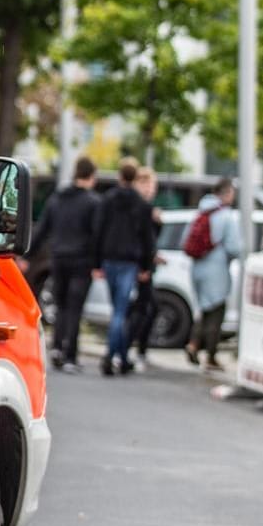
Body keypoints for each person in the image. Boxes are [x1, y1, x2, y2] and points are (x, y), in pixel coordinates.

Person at [32, 156, 101, 374]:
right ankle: (70, 354)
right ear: (91, 176)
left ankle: (57, 348)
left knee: (61, 306)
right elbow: (97, 235)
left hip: (58, 258)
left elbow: (43, 229)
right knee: (74, 308)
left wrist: (26, 254)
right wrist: (98, 263)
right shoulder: (93, 202)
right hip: (82, 260)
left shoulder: (57, 199)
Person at [94, 158, 157, 376]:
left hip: (110, 259)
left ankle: (117, 355)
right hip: (129, 261)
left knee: (117, 309)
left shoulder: (107, 200)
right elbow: (147, 238)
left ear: (120, 175)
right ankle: (113, 355)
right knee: (120, 310)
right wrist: (146, 266)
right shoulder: (141, 204)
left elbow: (98, 231)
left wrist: (96, 262)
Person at [187, 177, 243, 370]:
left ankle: (193, 344)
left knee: (203, 309)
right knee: (216, 312)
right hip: (216, 269)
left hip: (197, 268)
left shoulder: (201, 212)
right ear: (227, 193)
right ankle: (210, 354)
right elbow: (234, 247)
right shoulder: (226, 216)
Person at [122, 166, 165, 371]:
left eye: (152, 185)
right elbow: (139, 239)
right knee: (142, 308)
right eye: (146, 184)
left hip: (145, 264)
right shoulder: (137, 208)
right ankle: (130, 348)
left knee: (145, 308)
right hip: (138, 265)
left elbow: (151, 240)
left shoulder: (148, 209)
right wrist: (144, 265)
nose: (150, 189)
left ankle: (135, 348)